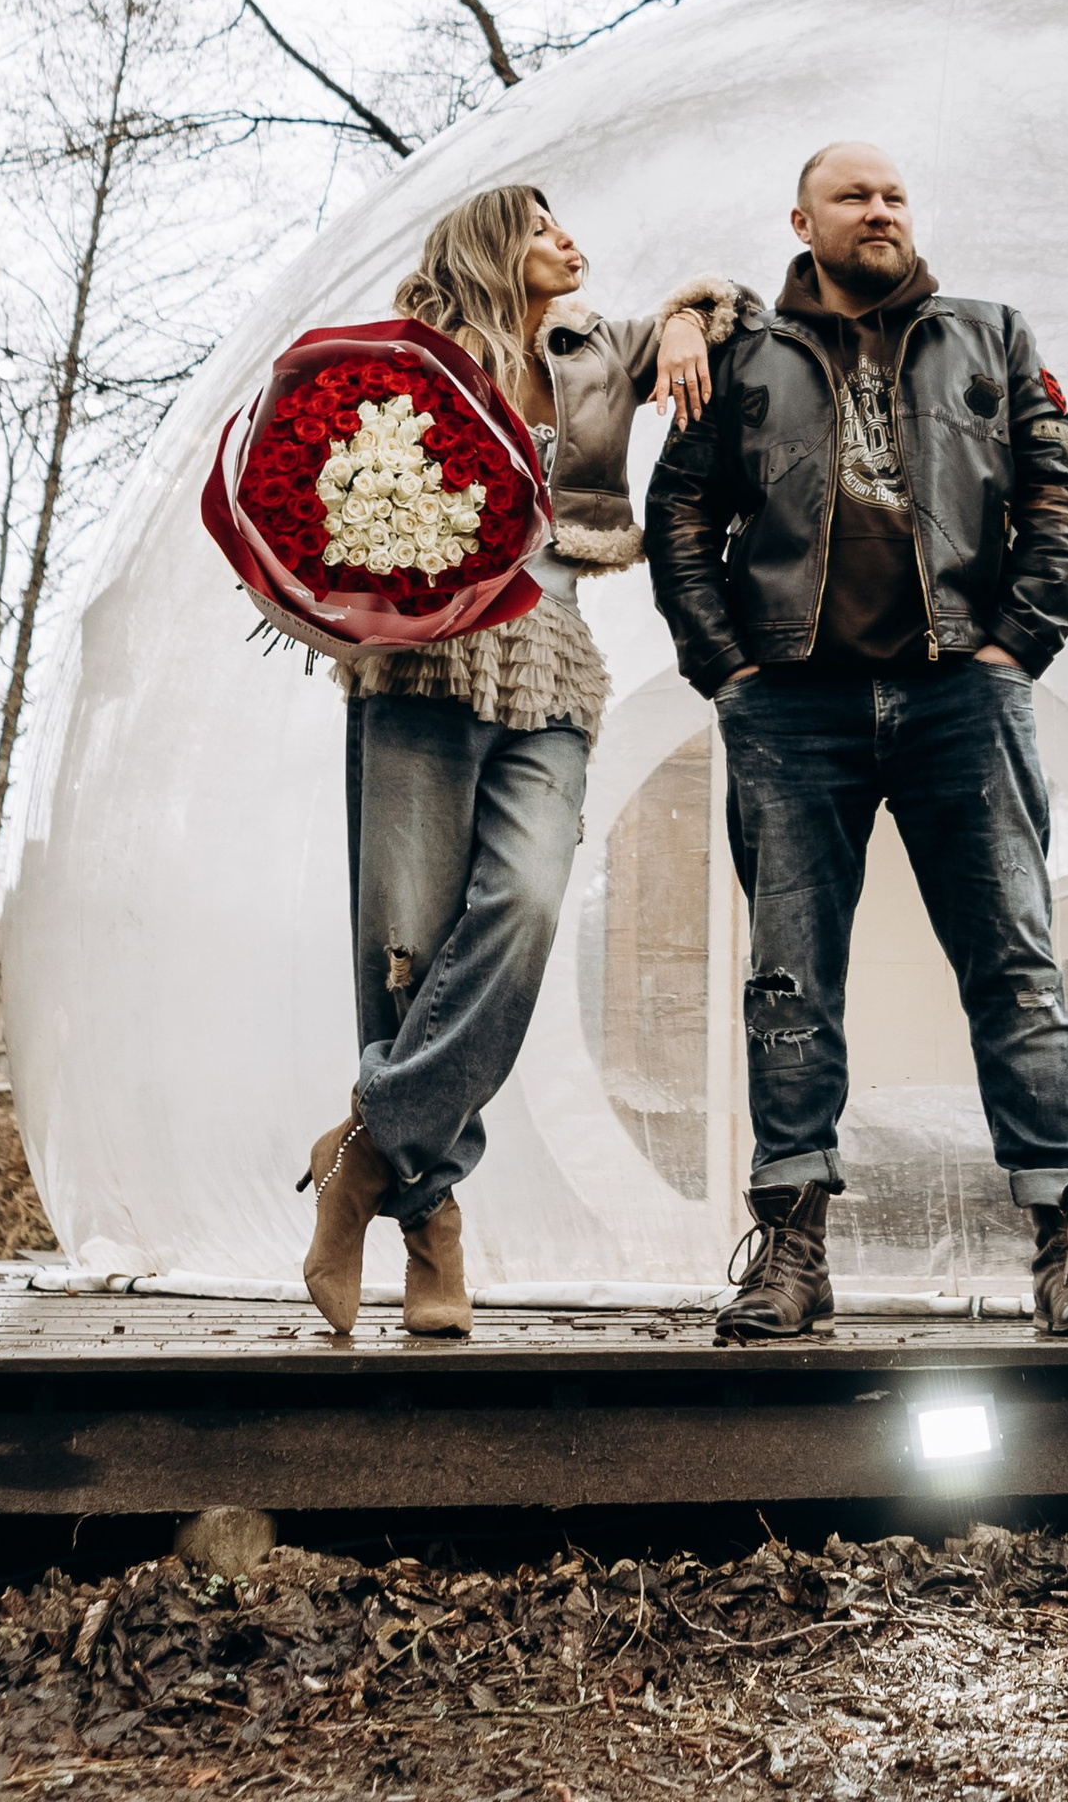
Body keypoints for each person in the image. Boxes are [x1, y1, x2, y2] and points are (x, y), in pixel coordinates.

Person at [644, 139, 1068, 1343]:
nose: (881, 211)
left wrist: (1017, 643)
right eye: (853, 196)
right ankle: (791, 1250)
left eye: (896, 194)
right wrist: (730, 669)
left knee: (1017, 965)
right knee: (789, 980)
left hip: (962, 693)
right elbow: (680, 510)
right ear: (799, 220)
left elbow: (1060, 487)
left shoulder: (994, 335)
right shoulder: (744, 354)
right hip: (792, 704)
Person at [302, 189, 751, 1339]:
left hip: (550, 661)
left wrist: (692, 319)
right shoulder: (411, 361)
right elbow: (320, 491)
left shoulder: (600, 347)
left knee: (527, 903)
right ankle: (433, 1222)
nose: (568, 237)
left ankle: (367, 1145)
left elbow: (734, 306)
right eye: (541, 224)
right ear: (492, 246)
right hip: (418, 668)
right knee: (408, 945)